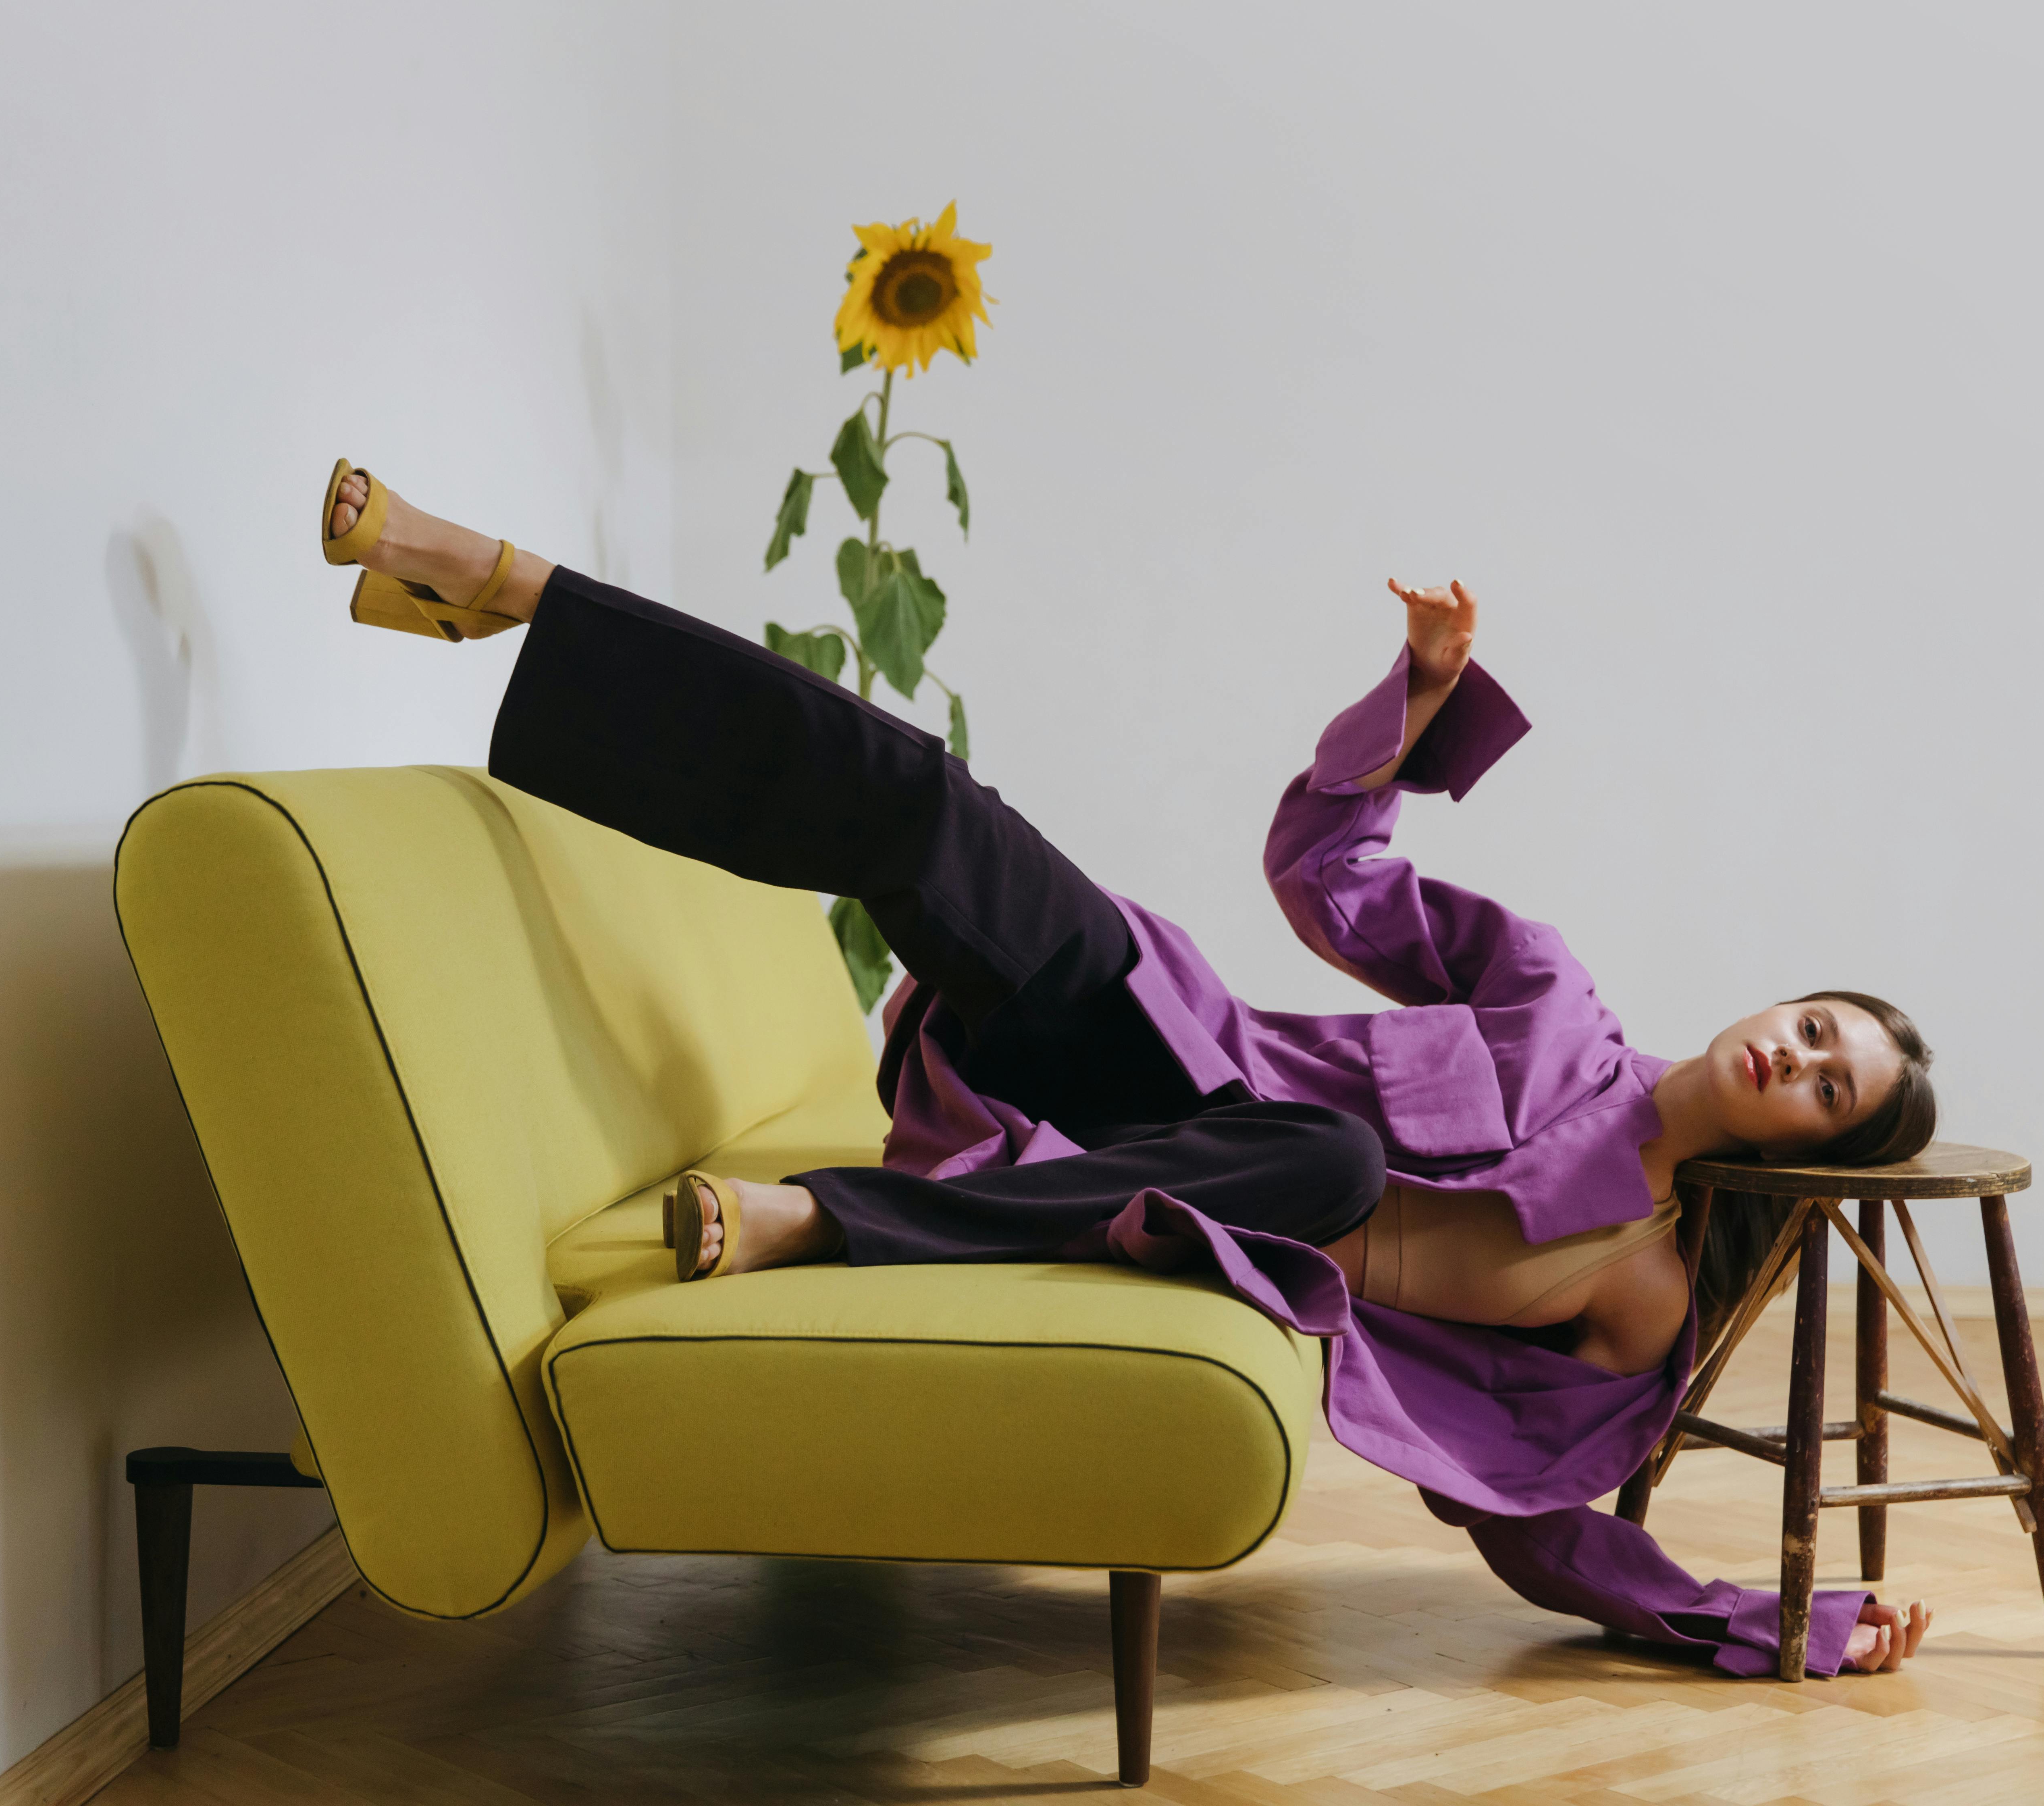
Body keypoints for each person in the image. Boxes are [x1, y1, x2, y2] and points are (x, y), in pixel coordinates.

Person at [318, 463, 1938, 1677]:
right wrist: (1418, 700)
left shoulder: (1642, 1296)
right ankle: (500, 582)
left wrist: (1774, 1622)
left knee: (1326, 1172)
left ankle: (837, 1221)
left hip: (1175, 1197)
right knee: (925, 799)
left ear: (1820, 1155)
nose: (1792, 1052)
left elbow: (1541, 1519)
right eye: (1814, 1022)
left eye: (1826, 1084)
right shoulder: (1549, 990)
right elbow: (1329, 881)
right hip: (1143, 1044)